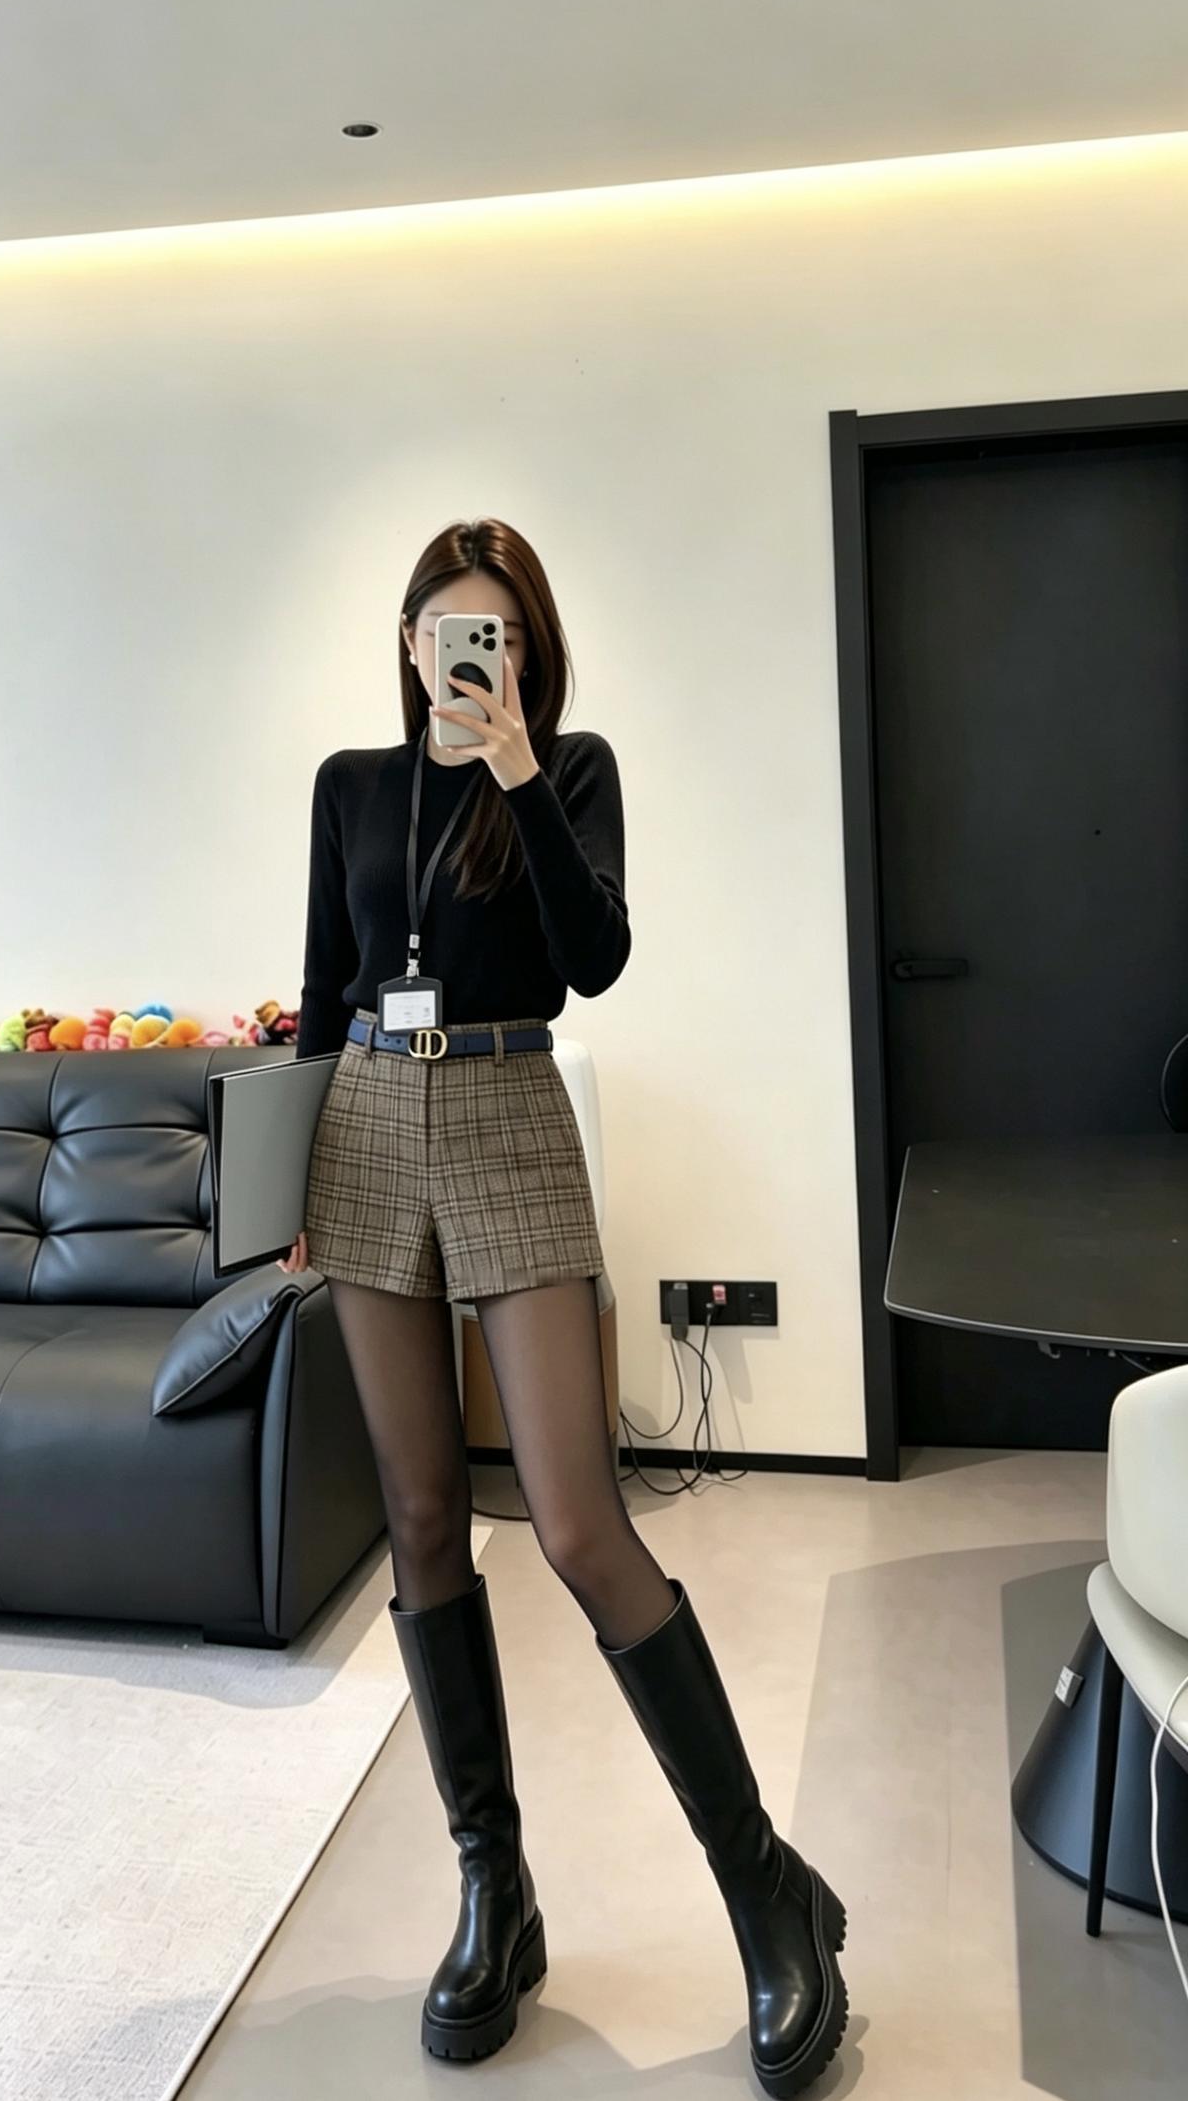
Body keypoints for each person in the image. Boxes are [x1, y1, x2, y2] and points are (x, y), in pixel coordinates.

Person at [278, 518, 848, 2098]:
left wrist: (520, 769)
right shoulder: (347, 785)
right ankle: (495, 1887)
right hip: (366, 1128)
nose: (473, 656)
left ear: (528, 652)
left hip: (513, 1112)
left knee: (581, 1522)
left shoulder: (571, 769)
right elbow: (321, 986)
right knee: (417, 1513)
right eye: (451, 631)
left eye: (502, 635)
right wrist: (287, 1188)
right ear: (408, 642)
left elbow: (594, 959)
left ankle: (768, 1889)